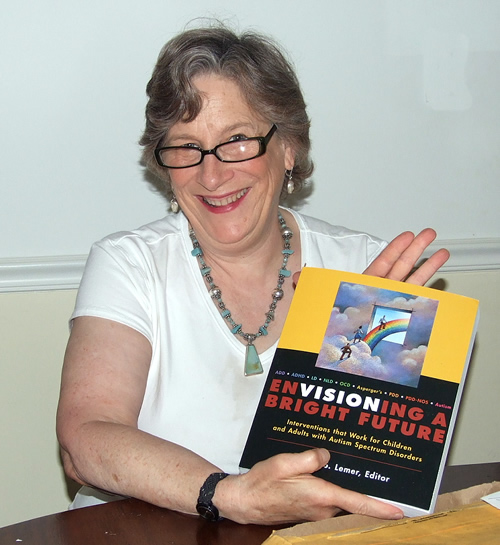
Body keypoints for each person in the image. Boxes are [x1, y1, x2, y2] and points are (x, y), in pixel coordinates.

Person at [56, 24, 449, 525]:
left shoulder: (363, 269)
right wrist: (231, 496)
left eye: (237, 140)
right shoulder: (129, 264)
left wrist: (348, 356)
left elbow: (387, 475)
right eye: (186, 147)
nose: (212, 174)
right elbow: (85, 439)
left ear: (289, 148)